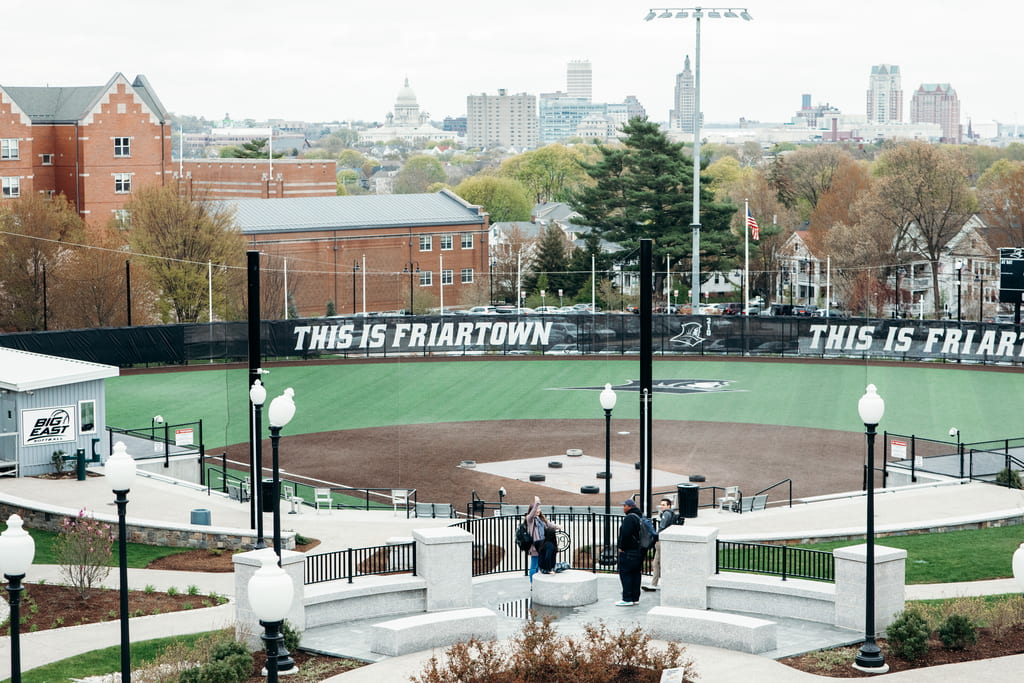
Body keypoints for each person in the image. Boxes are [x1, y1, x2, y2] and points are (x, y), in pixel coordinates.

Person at [643, 497, 679, 592]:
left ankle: (663, 584)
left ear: (669, 506)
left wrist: (656, 537)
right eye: (661, 505)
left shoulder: (666, 514)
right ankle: (653, 584)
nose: (662, 507)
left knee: (661, 563)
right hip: (663, 541)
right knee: (656, 563)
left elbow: (662, 527)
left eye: (664, 505)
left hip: (661, 541)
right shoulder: (671, 514)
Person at [615, 498, 644, 605]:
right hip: (638, 551)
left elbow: (626, 534)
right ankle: (635, 598)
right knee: (636, 574)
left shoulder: (629, 518)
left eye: (625, 506)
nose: (623, 508)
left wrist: (622, 547)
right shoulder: (640, 517)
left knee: (626, 574)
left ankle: (627, 598)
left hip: (628, 552)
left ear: (630, 507)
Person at [525, 496, 559, 580]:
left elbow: (549, 525)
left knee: (541, 564)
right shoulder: (530, 519)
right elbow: (531, 514)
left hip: (542, 546)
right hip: (535, 546)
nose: (538, 510)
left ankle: (539, 582)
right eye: (536, 508)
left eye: (539, 508)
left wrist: (557, 526)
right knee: (534, 566)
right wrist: (537, 503)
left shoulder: (541, 519)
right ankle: (532, 583)